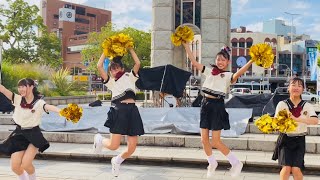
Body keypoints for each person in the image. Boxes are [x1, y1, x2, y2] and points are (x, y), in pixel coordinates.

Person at [182, 42, 253, 177]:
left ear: (227, 62)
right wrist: (186, 46)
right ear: (216, 60)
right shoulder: (209, 71)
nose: (220, 62)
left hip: (217, 106)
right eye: (218, 59)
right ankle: (212, 162)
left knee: (215, 141)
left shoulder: (227, 75)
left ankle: (236, 163)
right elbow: (193, 62)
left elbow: (239, 72)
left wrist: (251, 61)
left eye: (223, 60)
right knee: (203, 139)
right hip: (205, 104)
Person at [93, 48, 144, 177]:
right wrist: (105, 50)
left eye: (116, 68)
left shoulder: (130, 77)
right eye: (112, 69)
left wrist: (131, 49)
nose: (114, 70)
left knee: (132, 148)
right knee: (113, 146)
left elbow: (137, 63)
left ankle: (117, 160)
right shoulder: (111, 81)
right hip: (119, 111)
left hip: (132, 112)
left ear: (122, 68)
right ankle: (99, 139)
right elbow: (99, 65)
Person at [0, 78, 61, 180]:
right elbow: (4, 90)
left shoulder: (39, 103)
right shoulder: (17, 99)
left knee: (26, 164)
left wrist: (62, 111)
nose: (21, 89)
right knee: (15, 167)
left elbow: (49, 107)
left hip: (33, 135)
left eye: (23, 86)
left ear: (31, 87)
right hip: (19, 134)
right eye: (19, 87)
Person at [272, 77, 318, 180]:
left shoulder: (307, 105)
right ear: (288, 88)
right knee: (286, 168)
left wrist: (296, 119)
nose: (296, 88)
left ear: (303, 89)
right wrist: (273, 125)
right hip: (285, 139)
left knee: (296, 169)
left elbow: (315, 121)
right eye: (293, 85)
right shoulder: (282, 104)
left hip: (299, 140)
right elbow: (275, 122)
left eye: (299, 86)